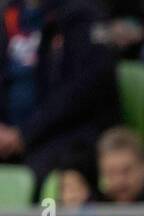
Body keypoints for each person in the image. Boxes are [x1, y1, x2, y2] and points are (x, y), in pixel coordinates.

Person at [0, 0, 120, 192]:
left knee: (41, 177)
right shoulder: (10, 14)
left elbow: (86, 88)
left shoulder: (83, 13)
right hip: (9, 135)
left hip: (66, 133)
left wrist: (25, 133)